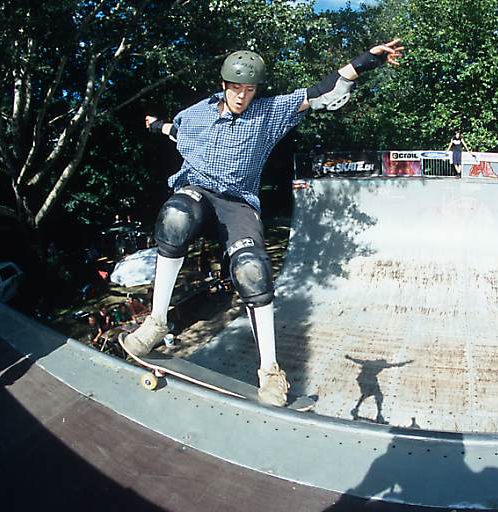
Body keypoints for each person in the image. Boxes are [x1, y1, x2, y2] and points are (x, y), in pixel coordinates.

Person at [120, 40, 405, 406]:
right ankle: (157, 322)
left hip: (238, 203)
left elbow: (319, 92)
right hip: (197, 194)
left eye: (250, 90)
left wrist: (366, 61)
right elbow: (175, 131)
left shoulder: (269, 113)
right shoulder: (197, 113)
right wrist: (155, 125)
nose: (243, 96)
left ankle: (270, 370)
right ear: (224, 85)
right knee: (175, 217)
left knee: (252, 269)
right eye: (237, 88)